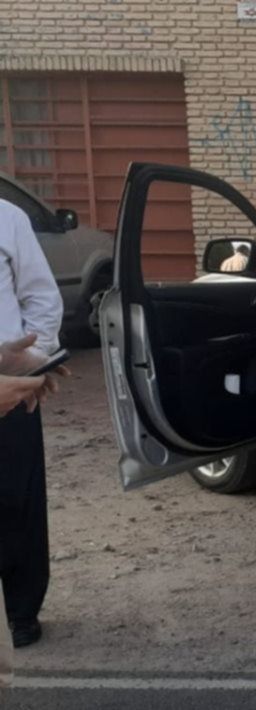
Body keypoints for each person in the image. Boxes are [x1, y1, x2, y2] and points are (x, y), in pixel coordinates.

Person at [0, 196, 65, 649]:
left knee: (17, 497)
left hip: (12, 385)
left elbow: (41, 295)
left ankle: (21, 610)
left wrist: (33, 360)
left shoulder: (7, 217)